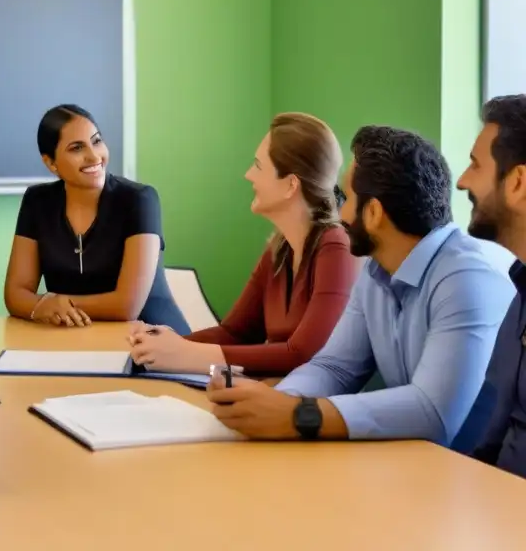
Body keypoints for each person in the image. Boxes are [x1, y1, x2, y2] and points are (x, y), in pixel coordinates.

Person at [206, 125, 516, 445]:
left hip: (480, 479)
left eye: (346, 198)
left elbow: (432, 414)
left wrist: (298, 414)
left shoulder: (466, 279)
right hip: (420, 468)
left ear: (373, 213)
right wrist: (268, 403)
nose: (339, 213)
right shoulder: (375, 270)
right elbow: (335, 368)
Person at [128, 112, 357, 376]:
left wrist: (188, 354)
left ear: (290, 184)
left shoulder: (336, 247)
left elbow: (303, 354)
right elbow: (236, 332)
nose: (249, 175)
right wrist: (163, 343)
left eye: (258, 166)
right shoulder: (278, 249)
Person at [4, 104, 189, 332]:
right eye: (76, 148)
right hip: (76, 339)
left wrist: (52, 304)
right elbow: (15, 294)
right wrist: (43, 305)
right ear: (51, 163)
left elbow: (127, 306)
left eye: (97, 141)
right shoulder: (37, 201)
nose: (94, 156)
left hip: (154, 341)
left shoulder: (139, 199)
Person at [458, 94, 526, 479]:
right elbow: (491, 444)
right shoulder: (520, 294)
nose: (463, 180)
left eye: (475, 164)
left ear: (517, 181)